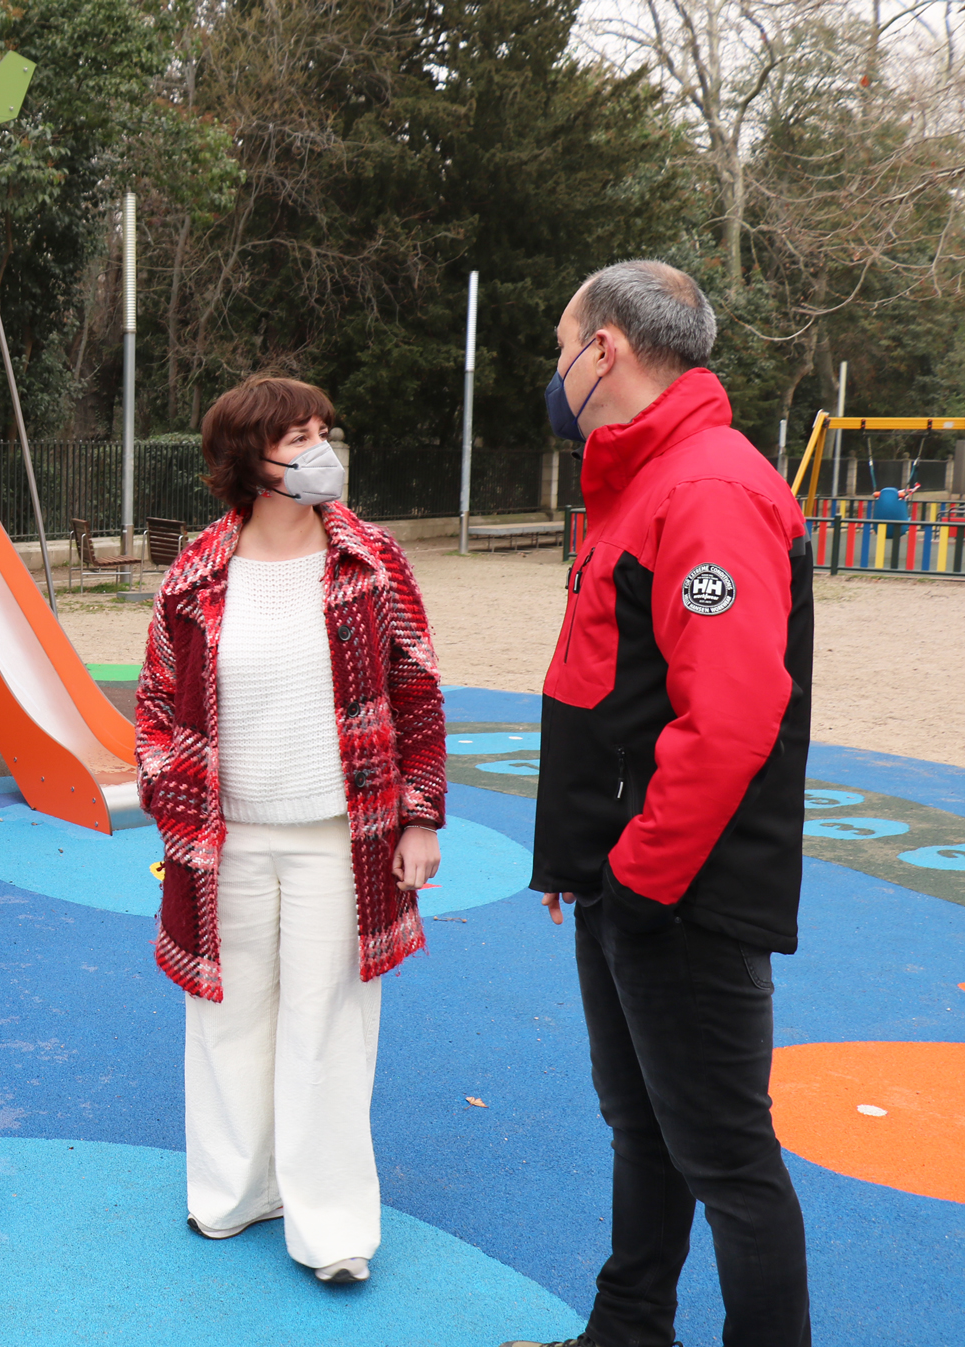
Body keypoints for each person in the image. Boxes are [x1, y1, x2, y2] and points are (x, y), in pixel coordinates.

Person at [498, 261, 814, 1347]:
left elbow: (728, 719)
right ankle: (627, 1330)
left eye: (560, 347)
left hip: (683, 889)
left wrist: (636, 879)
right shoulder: (642, 480)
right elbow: (614, 686)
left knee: (725, 1157)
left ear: (606, 350)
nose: (555, 373)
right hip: (630, 880)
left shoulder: (706, 488)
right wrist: (579, 859)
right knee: (645, 1130)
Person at [135, 375, 446, 1286]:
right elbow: (156, 701)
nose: (320, 451)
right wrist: (167, 791)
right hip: (221, 840)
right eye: (296, 437)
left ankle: (331, 1225)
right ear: (248, 459)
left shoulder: (372, 560)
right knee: (225, 1017)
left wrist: (419, 814)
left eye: (323, 431)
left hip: (338, 838)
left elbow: (416, 689)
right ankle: (232, 1191)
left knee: (327, 1030)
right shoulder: (196, 572)